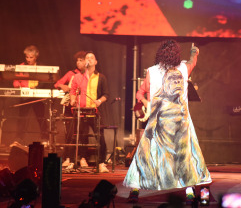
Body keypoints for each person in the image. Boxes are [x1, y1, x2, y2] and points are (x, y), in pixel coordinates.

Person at [123, 40, 212, 204]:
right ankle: (190, 192)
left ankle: (134, 191)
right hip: (180, 124)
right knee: (187, 157)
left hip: (158, 122)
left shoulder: (151, 71)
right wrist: (194, 52)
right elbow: (192, 61)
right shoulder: (184, 68)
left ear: (160, 54)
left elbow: (143, 90)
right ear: (177, 54)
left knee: (144, 157)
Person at [69, 51, 109, 173]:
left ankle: (102, 162)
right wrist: (72, 100)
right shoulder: (78, 77)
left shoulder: (100, 77)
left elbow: (106, 94)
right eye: (87, 58)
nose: (89, 60)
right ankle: (79, 159)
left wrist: (99, 101)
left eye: (92, 58)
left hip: (94, 110)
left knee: (100, 136)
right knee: (79, 136)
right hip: (80, 111)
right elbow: (73, 91)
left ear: (96, 62)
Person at [54, 50, 86, 168]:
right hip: (70, 107)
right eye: (77, 60)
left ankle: (82, 157)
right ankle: (68, 157)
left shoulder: (88, 75)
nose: (78, 63)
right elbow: (57, 84)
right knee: (69, 133)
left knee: (82, 133)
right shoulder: (70, 73)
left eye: (81, 60)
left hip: (83, 107)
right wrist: (64, 86)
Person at [13, 45, 49, 143]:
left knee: (41, 118)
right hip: (25, 95)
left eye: (31, 57)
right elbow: (16, 80)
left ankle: (45, 138)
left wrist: (37, 88)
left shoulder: (41, 67)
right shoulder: (21, 66)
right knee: (22, 118)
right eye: (27, 57)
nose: (28, 59)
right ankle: (18, 139)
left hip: (37, 95)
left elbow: (45, 80)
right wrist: (18, 87)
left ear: (36, 57)